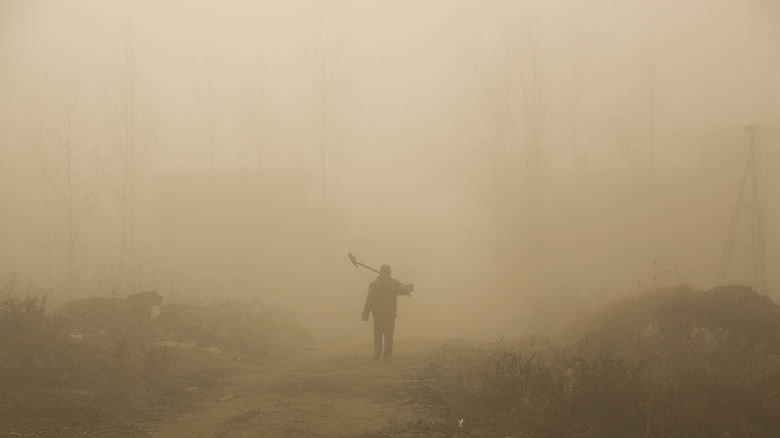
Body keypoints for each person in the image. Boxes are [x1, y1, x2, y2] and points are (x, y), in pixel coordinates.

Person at [361, 264, 413, 363]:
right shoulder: (394, 283)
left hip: (377, 314)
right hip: (390, 314)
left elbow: (369, 300)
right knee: (389, 334)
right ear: (389, 273)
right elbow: (403, 291)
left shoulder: (373, 284)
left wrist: (365, 314)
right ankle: (387, 356)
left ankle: (378, 349)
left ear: (380, 272)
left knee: (377, 332)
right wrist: (409, 288)